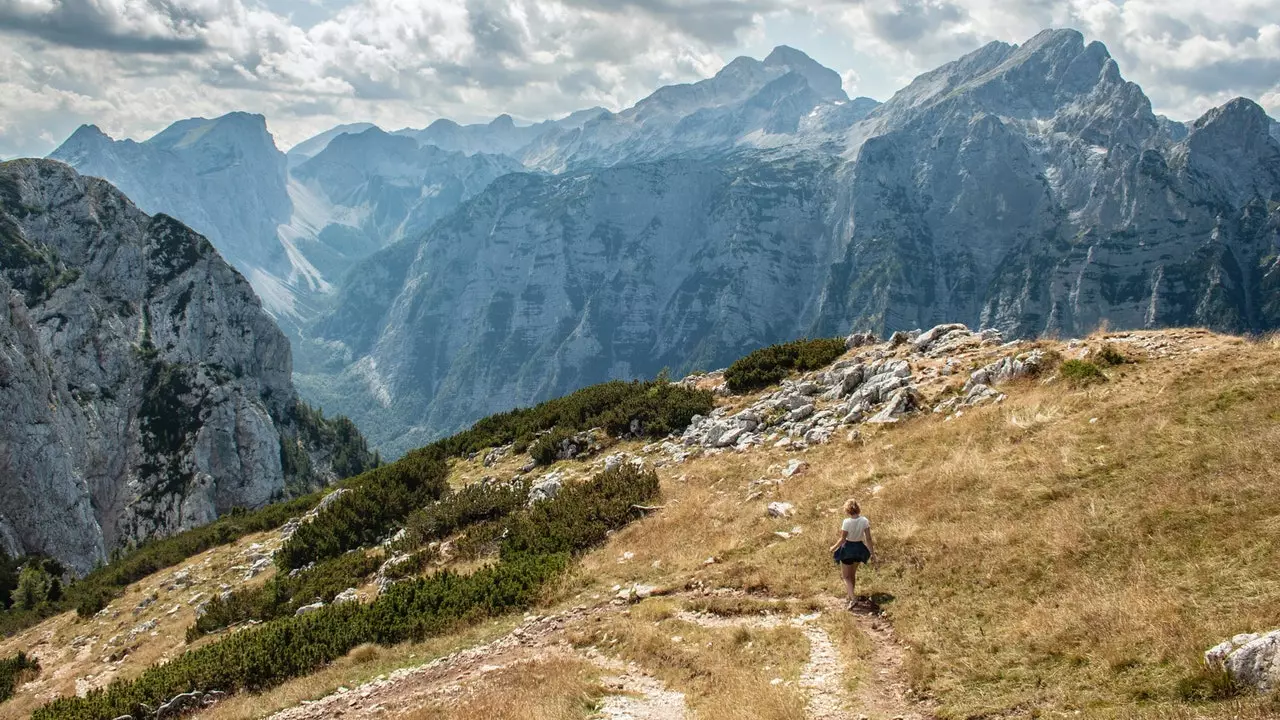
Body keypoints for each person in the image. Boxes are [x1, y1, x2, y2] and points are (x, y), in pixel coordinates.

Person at [829, 499, 874, 610]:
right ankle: (850, 596)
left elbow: (843, 538)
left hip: (848, 548)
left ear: (847, 510)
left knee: (845, 576)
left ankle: (853, 599)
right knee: (852, 575)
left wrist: (833, 548)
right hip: (859, 548)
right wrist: (872, 553)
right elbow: (868, 538)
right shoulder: (864, 520)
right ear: (858, 508)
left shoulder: (847, 522)